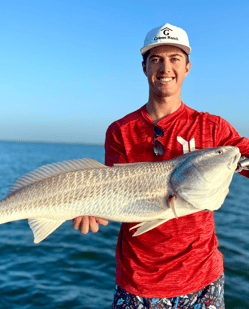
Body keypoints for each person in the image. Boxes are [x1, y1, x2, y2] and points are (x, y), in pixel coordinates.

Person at [73, 23, 249, 308]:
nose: (165, 67)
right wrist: (89, 211)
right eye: (156, 59)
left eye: (174, 58)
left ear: (188, 67)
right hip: (137, 282)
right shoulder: (120, 131)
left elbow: (244, 158)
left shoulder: (212, 127)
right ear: (144, 67)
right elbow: (110, 194)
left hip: (203, 279)